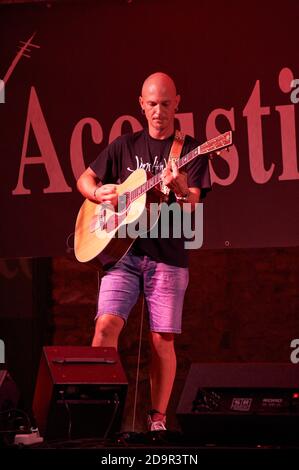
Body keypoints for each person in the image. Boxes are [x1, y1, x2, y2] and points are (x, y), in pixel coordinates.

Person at [76, 72, 211, 431]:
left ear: (177, 102)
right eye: (152, 104)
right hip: (121, 256)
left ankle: (157, 419)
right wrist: (98, 194)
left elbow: (191, 209)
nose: (159, 111)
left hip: (166, 255)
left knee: (161, 338)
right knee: (105, 326)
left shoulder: (192, 152)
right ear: (141, 104)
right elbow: (84, 179)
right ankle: (97, 414)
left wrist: (181, 189)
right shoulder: (124, 145)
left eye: (166, 104)